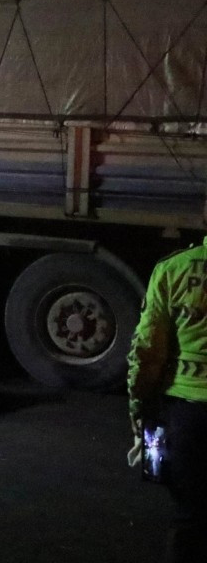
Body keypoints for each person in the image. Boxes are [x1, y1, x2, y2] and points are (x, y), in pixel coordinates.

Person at [129, 240, 207, 563]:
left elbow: (146, 350)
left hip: (187, 413)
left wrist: (139, 413)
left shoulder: (173, 269)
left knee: (190, 515)